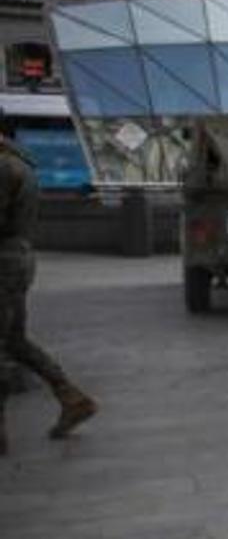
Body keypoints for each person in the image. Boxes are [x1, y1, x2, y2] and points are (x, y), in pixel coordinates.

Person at [0, 110, 97, 456]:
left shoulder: (4, 167)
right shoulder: (20, 163)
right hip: (19, 258)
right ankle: (70, 396)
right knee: (14, 341)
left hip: (5, 261)